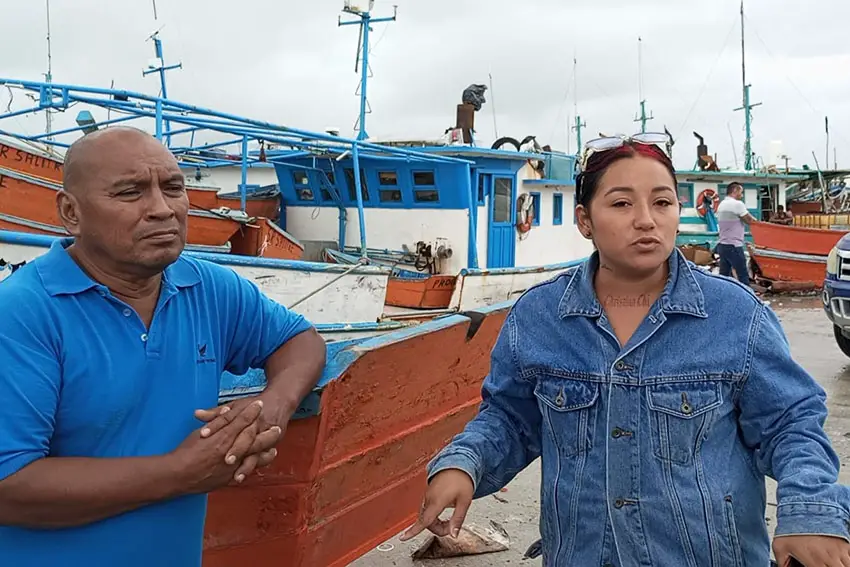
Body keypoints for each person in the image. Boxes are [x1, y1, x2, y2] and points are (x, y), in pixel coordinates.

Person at [400, 134, 850, 567]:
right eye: (621, 203)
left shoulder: (736, 316)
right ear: (584, 220)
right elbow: (511, 418)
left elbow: (790, 424)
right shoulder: (539, 317)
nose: (646, 220)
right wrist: (465, 463)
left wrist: (811, 510)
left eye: (662, 202)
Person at [0, 127, 327, 566]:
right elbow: (9, 487)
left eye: (173, 187)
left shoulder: (207, 287)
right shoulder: (22, 313)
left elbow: (298, 340)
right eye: (130, 192)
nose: (162, 209)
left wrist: (271, 407)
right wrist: (181, 472)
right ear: (71, 212)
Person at [716, 182, 757, 285]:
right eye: (741, 192)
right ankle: (748, 299)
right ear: (735, 191)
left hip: (723, 245)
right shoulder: (737, 204)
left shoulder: (722, 204)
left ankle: (723, 297)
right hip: (734, 246)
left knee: (724, 276)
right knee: (742, 274)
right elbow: (750, 220)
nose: (741, 195)